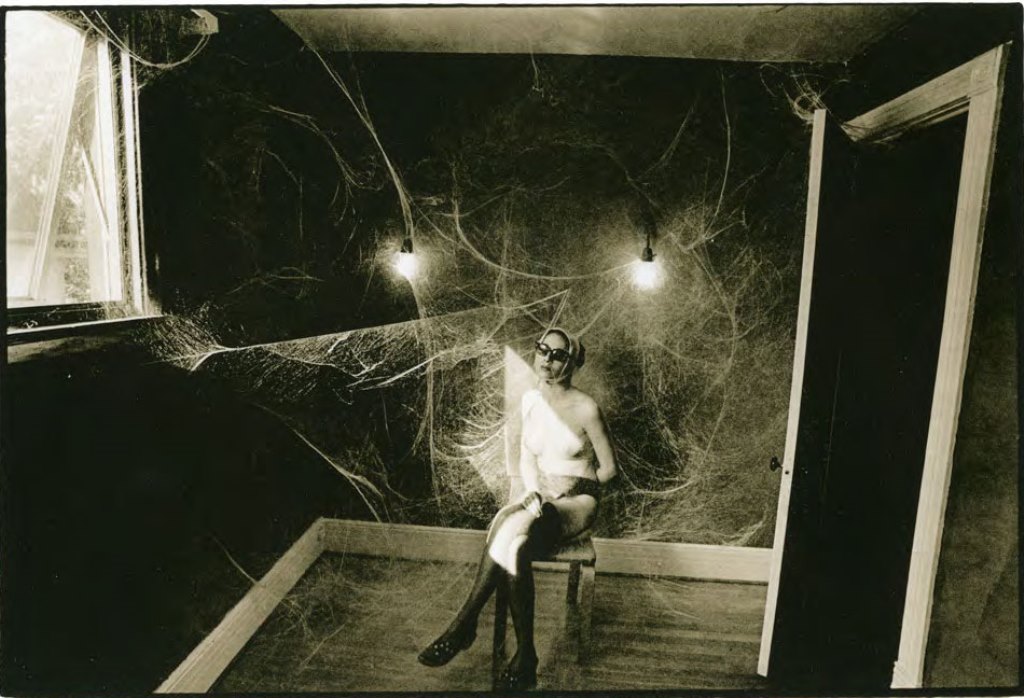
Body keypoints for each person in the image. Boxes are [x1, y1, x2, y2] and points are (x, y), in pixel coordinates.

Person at [417, 327, 617, 690]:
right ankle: (526, 656)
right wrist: (534, 490)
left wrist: (571, 487)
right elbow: (526, 457)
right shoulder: (530, 401)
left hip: (577, 500)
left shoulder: (586, 408)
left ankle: (464, 625)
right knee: (516, 546)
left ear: (573, 363)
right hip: (541, 496)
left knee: (508, 527)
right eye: (543, 350)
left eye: (558, 355)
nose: (547, 360)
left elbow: (610, 470)